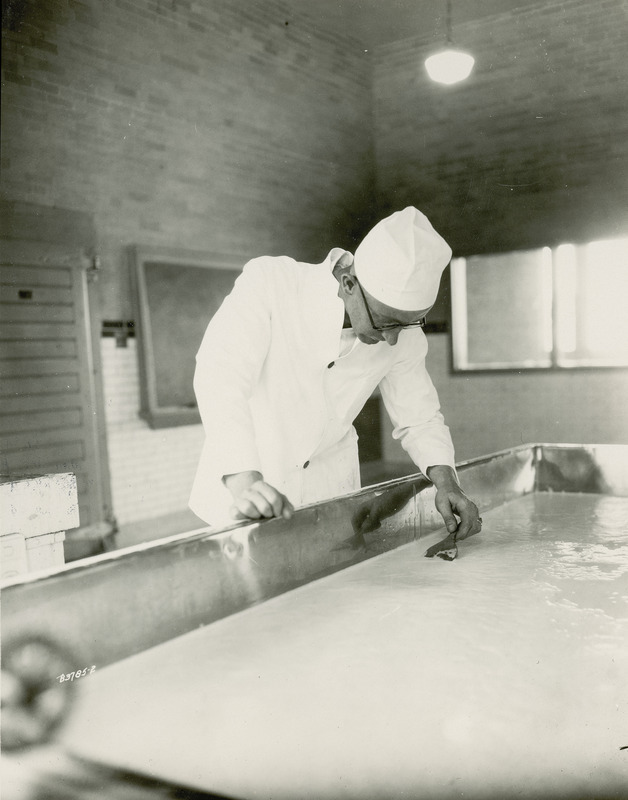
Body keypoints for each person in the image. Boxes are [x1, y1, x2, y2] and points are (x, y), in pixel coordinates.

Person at [190, 206, 482, 541]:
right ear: (348, 282)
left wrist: (447, 482)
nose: (392, 338)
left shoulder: (403, 335)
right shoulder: (272, 283)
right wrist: (246, 483)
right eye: (385, 322)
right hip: (247, 484)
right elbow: (221, 375)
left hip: (329, 492)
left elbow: (420, 417)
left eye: (407, 324)